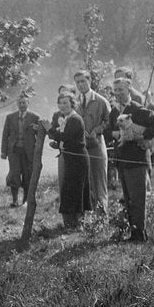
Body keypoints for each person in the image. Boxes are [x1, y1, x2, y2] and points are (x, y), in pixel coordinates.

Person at [107, 78, 154, 242]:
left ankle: (140, 234)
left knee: (138, 199)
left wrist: (142, 136)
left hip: (137, 160)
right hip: (121, 160)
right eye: (115, 90)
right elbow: (108, 130)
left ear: (129, 89)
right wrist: (113, 134)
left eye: (121, 90)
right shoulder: (114, 112)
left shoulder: (138, 110)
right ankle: (133, 232)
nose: (117, 94)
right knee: (128, 198)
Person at [47, 92, 91, 230]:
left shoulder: (75, 119)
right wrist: (57, 143)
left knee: (76, 189)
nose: (62, 106)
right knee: (69, 189)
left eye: (65, 103)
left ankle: (78, 224)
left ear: (72, 104)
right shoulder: (66, 118)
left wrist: (49, 129)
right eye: (60, 103)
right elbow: (66, 138)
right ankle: (71, 223)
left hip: (78, 158)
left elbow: (66, 136)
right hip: (69, 157)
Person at [74, 71, 111, 215]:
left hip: (96, 145)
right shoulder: (75, 101)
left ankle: (102, 217)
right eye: (77, 82)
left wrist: (98, 129)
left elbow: (110, 121)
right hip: (80, 146)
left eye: (83, 81)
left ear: (90, 81)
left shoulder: (100, 101)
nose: (80, 85)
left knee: (99, 181)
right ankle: (85, 218)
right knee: (83, 181)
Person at [1, 93, 45, 208]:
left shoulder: (34, 117)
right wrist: (4, 151)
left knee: (27, 175)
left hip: (28, 152)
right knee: (14, 174)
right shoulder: (10, 117)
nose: (22, 105)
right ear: (17, 104)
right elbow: (5, 135)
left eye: (24, 102)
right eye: (20, 103)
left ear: (28, 103)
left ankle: (25, 200)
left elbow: (40, 135)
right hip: (14, 151)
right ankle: (15, 200)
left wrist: (37, 152)